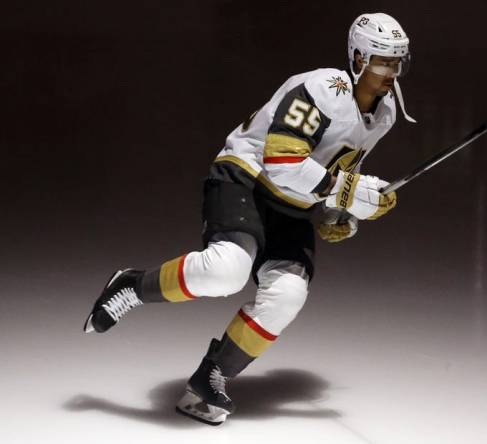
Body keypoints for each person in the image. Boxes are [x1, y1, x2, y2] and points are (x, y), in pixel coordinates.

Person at [82, 12, 414, 426]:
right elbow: (281, 161)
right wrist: (347, 191)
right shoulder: (325, 89)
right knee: (226, 271)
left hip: (292, 205)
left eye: (398, 62)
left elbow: (328, 171)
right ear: (359, 58)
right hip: (248, 180)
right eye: (383, 61)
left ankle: (211, 376)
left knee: (289, 294)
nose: (392, 72)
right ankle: (132, 284)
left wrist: (338, 213)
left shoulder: (384, 115)